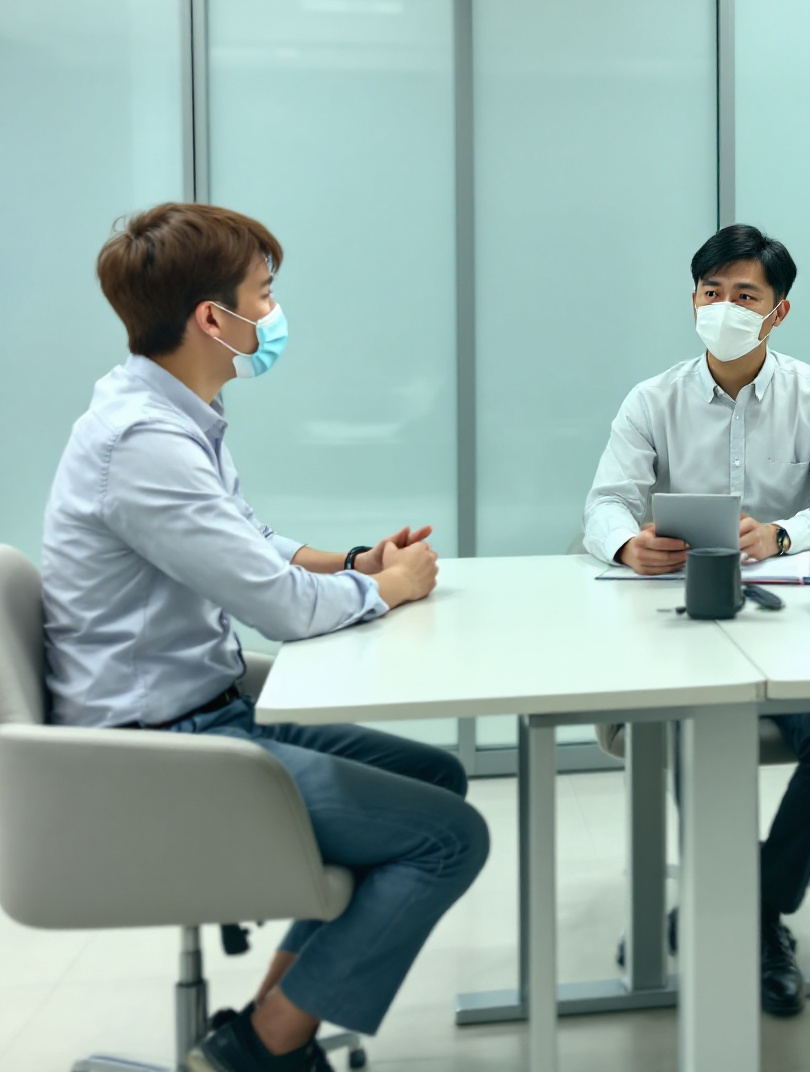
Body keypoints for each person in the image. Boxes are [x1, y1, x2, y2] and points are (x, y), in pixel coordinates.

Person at [42, 203, 489, 1072]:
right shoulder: (143, 442)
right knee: (448, 838)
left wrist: (355, 562)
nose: (275, 313)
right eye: (265, 293)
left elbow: (251, 541)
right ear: (214, 319)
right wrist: (388, 588)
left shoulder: (172, 411)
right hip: (156, 753)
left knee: (435, 777)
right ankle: (262, 1049)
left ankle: (269, 1022)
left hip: (203, 716)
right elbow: (279, 606)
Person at [583, 223, 810, 1017]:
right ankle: (756, 922)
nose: (724, 308)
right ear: (693, 300)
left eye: (745, 295)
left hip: (795, 626)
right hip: (678, 619)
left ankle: (752, 905)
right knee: (694, 729)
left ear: (778, 312)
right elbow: (604, 503)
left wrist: (780, 534)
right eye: (711, 293)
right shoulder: (653, 400)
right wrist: (627, 543)